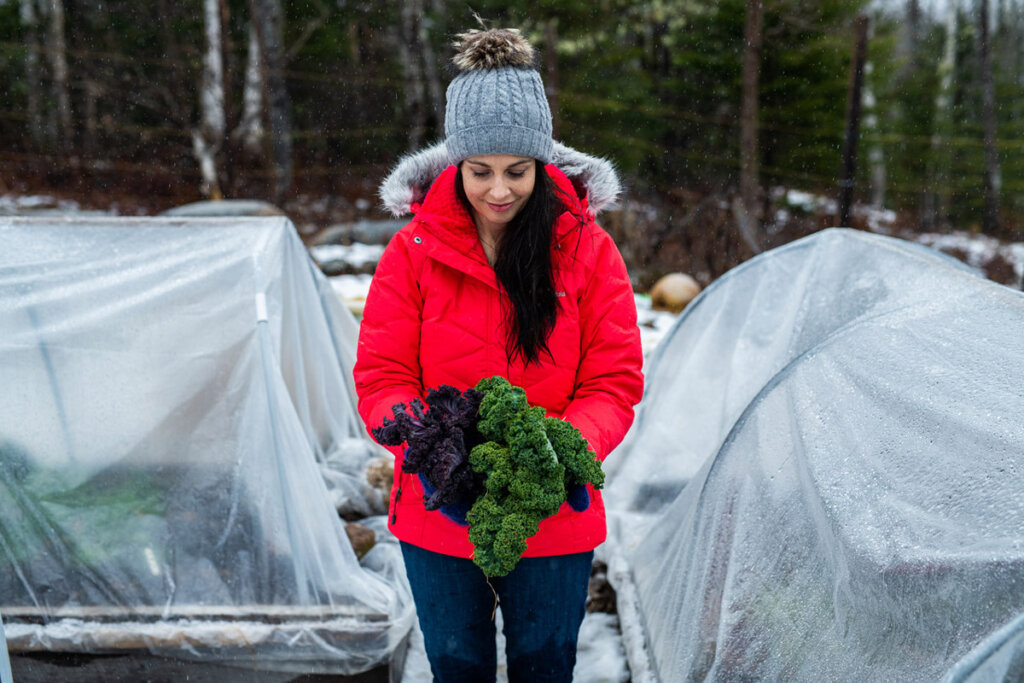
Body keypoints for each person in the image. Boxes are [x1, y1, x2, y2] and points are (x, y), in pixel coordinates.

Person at [354, 26, 644, 683]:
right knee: (457, 664)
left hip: (552, 509)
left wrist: (557, 448)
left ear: (543, 162)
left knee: (545, 661)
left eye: (517, 170)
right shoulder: (414, 251)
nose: (498, 190)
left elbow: (613, 378)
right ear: (455, 163)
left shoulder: (587, 249)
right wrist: (429, 443)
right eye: (479, 171)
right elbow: (382, 374)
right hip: (437, 502)